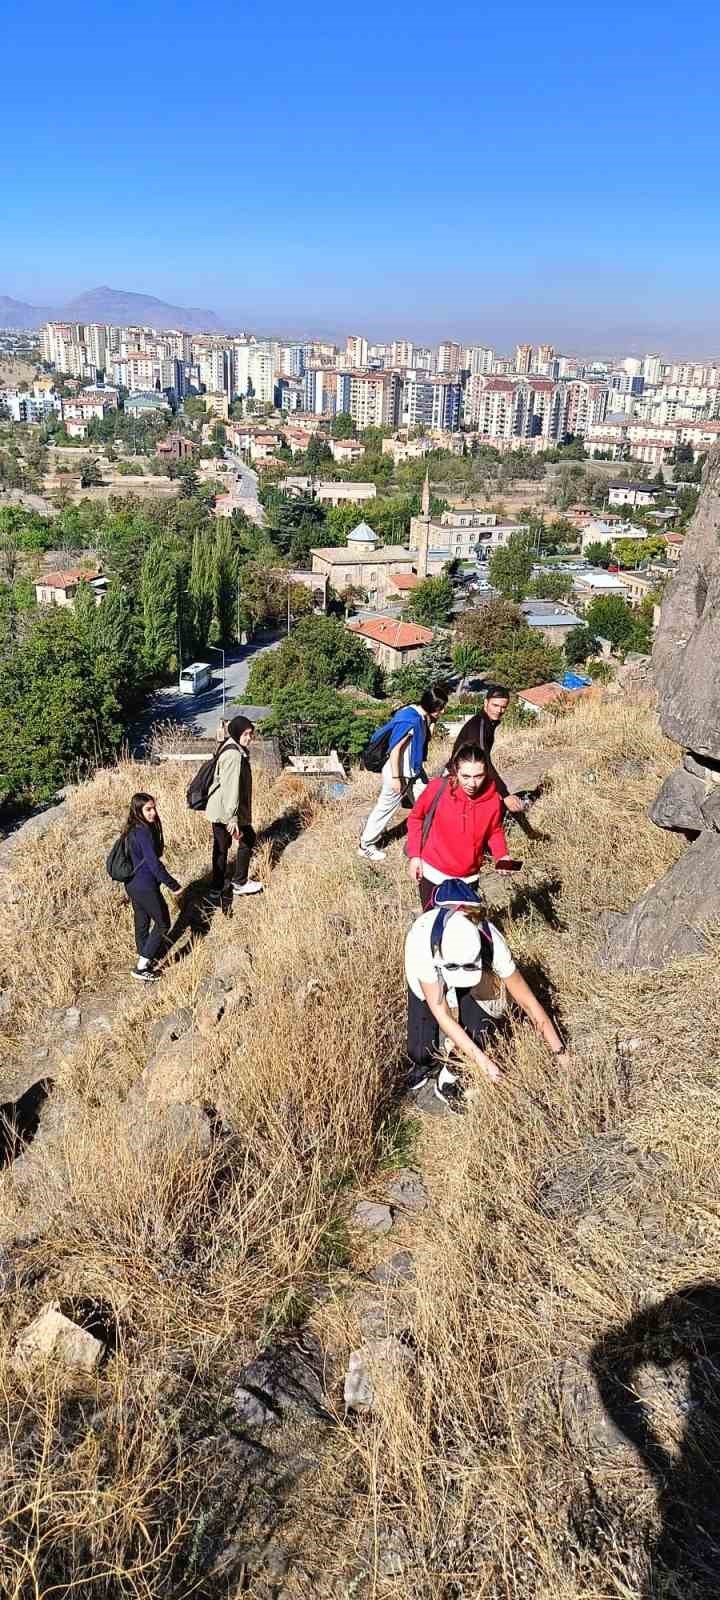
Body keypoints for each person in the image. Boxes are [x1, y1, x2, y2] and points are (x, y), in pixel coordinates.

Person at [404, 878, 567, 1109]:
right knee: (421, 1051)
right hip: (427, 975)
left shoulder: (493, 942)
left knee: (479, 1029)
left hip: (474, 971)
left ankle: (449, 1075)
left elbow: (528, 1002)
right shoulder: (422, 945)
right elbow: (441, 1014)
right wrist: (485, 1063)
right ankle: (426, 1063)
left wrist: (560, 1053)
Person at [406, 743, 521, 910]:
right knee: (435, 923)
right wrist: (415, 856)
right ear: (455, 771)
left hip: (468, 879)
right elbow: (416, 818)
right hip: (432, 873)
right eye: (465, 776)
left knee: (465, 923)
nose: (472, 784)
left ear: (486, 772)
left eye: (478, 776)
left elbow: (494, 830)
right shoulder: (437, 788)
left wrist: (502, 855)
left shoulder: (493, 799)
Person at [358, 686, 448, 863]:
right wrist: (396, 778)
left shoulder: (418, 714)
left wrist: (432, 722)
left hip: (413, 770)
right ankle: (365, 845)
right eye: (440, 708)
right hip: (398, 772)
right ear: (431, 706)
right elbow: (395, 750)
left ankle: (434, 837)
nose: (443, 711)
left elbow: (424, 740)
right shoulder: (410, 721)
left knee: (430, 801)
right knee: (385, 809)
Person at [123, 792, 181, 981]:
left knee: (142, 921)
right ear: (138, 810)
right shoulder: (143, 832)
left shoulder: (131, 829)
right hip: (145, 885)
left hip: (131, 884)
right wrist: (174, 885)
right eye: (148, 809)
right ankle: (141, 968)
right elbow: (154, 864)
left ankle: (145, 956)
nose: (153, 813)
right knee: (163, 923)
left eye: (154, 808)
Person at [206, 714, 262, 899]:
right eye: (245, 734)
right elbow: (231, 788)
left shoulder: (230, 745)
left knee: (221, 847)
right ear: (237, 733)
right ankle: (240, 882)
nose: (249, 738)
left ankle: (216, 888)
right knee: (248, 838)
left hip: (218, 808)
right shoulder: (234, 755)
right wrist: (233, 817)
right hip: (227, 810)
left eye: (251, 734)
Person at [449, 684, 526, 819]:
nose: (499, 710)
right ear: (486, 703)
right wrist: (505, 794)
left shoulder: (487, 722)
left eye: (503, 707)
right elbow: (485, 760)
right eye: (495, 705)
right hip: (459, 775)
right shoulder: (479, 726)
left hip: (470, 771)